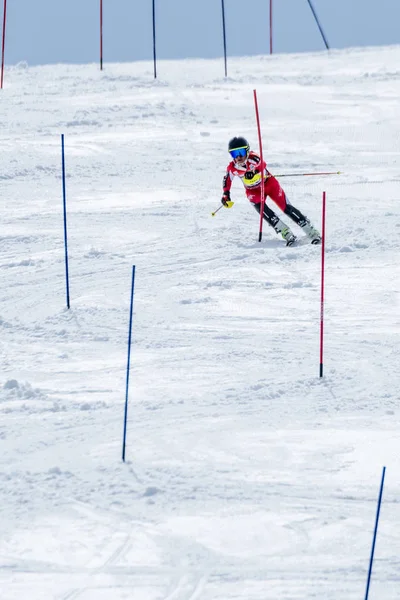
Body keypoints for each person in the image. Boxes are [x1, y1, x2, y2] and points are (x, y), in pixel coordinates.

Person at [221, 136, 321, 246]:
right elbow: (227, 180)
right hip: (253, 191)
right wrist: (226, 194)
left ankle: (311, 231)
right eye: (234, 154)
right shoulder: (232, 167)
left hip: (269, 184)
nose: (238, 156)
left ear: (247, 151)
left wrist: (254, 171)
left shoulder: (253, 158)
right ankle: (285, 232)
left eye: (241, 152)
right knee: (263, 210)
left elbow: (261, 163)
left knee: (286, 207)